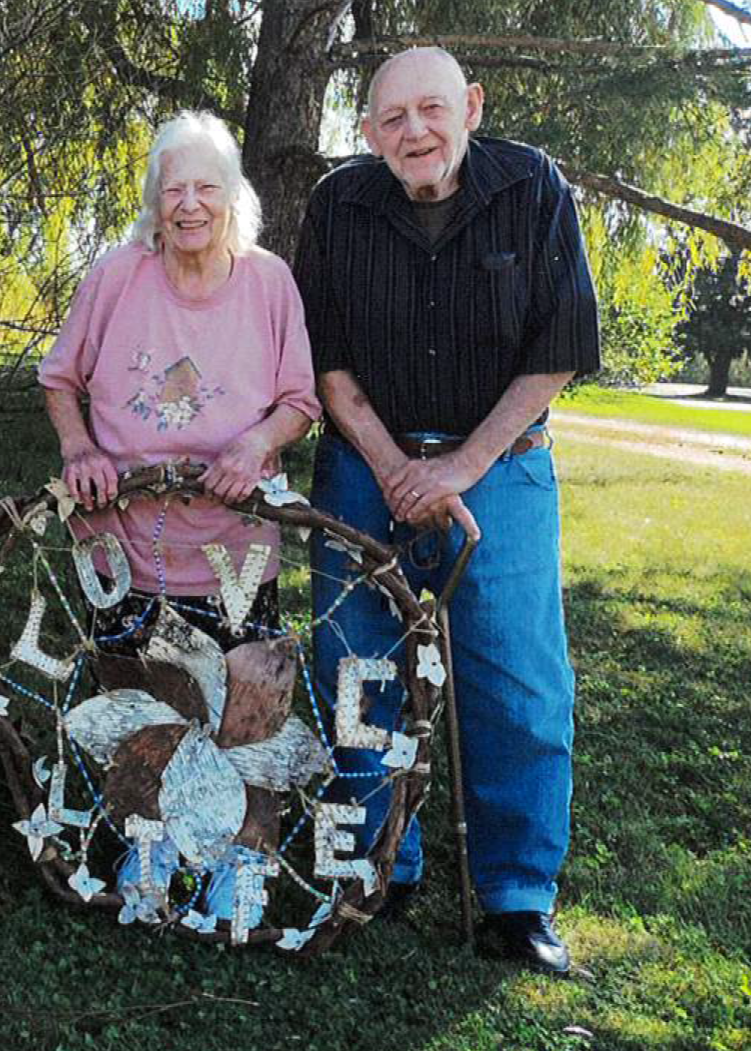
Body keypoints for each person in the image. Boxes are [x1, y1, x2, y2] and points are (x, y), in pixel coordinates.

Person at [293, 47, 599, 974]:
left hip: (501, 468)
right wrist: (396, 470)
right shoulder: (337, 206)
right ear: (367, 131)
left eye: (431, 109)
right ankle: (379, 865)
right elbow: (325, 363)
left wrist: (461, 468)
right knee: (356, 670)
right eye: (392, 118)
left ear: (471, 106)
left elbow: (560, 347)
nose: (414, 131)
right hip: (367, 466)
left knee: (518, 683)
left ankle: (516, 894)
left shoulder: (533, 187)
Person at [38, 110, 320, 917]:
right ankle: (150, 853)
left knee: (246, 706)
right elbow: (59, 379)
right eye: (174, 189)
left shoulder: (268, 282)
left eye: (206, 187)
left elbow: (300, 401)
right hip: (127, 543)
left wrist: (256, 444)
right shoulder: (118, 276)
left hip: (235, 548)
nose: (189, 204)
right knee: (144, 701)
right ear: (154, 201)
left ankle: (242, 862)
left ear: (234, 195)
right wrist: (80, 450)